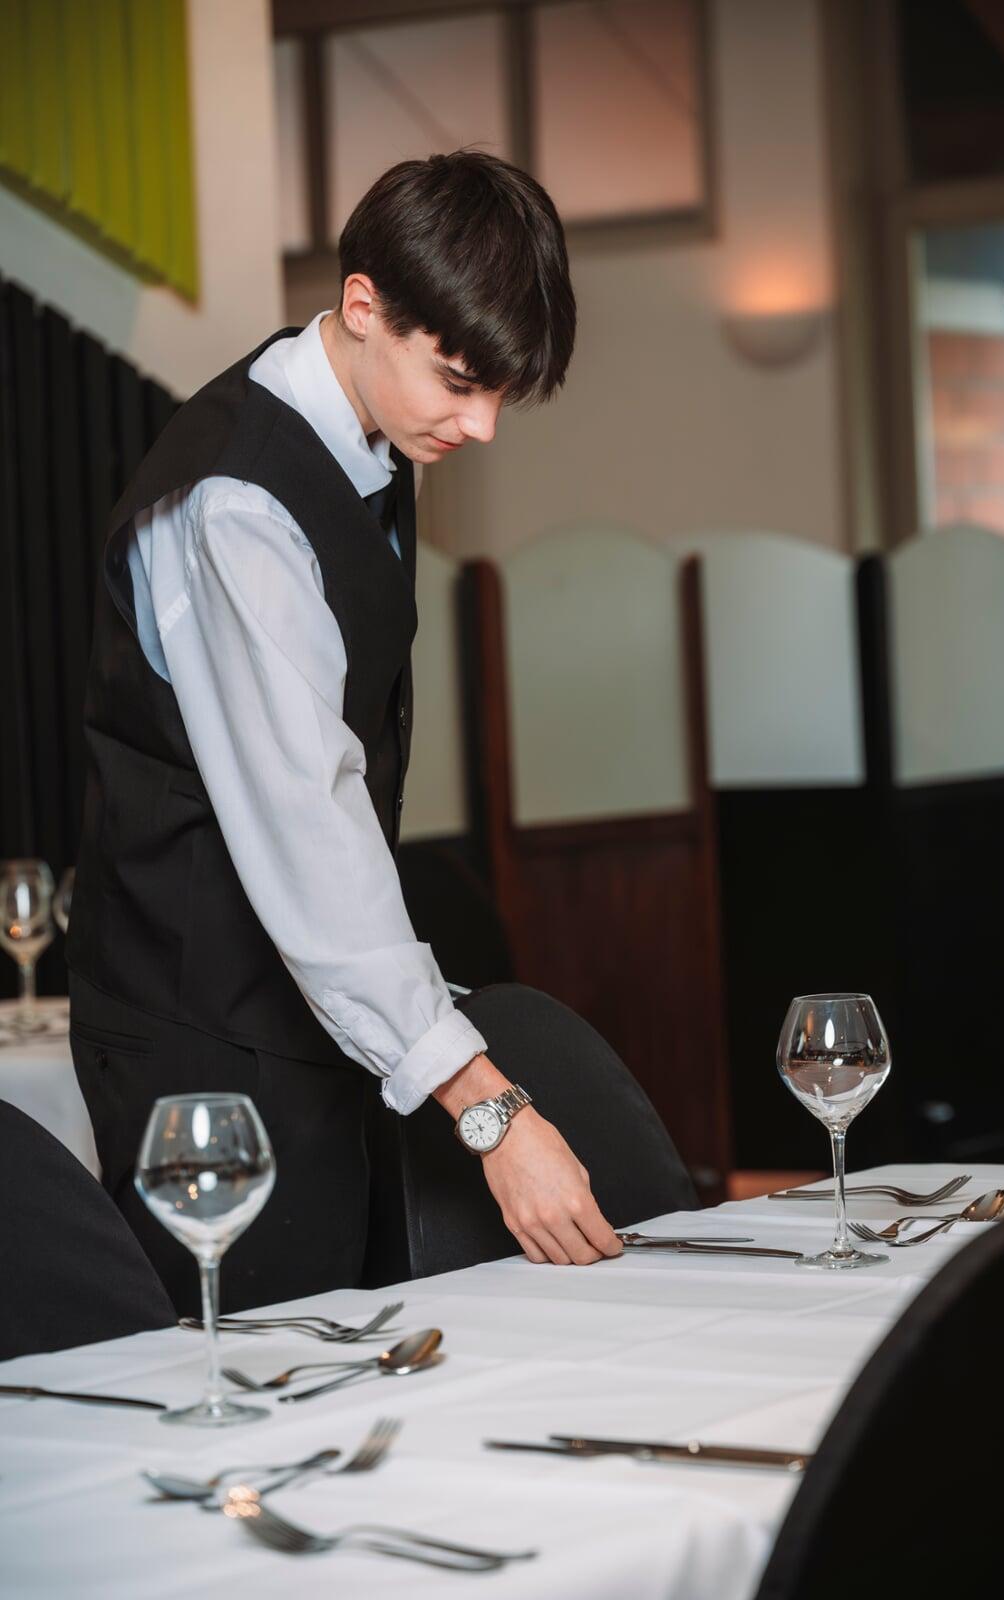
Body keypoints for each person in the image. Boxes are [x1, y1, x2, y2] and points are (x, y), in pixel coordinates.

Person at [67, 151, 622, 1315]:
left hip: (311, 1022)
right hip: (204, 1048)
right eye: (458, 382)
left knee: (356, 1354)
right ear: (363, 305)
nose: (480, 426)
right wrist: (487, 1105)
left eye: (499, 395)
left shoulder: (370, 429)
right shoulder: (236, 504)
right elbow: (307, 819)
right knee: (254, 1377)